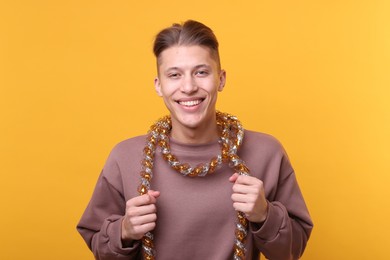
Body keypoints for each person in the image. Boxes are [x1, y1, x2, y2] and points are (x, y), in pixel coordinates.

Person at [77, 20, 313, 260]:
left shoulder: (266, 153)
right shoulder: (125, 157)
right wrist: (125, 231)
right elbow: (99, 248)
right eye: (174, 75)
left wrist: (264, 215)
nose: (188, 87)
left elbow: (292, 252)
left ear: (220, 79)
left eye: (201, 72)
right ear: (159, 86)